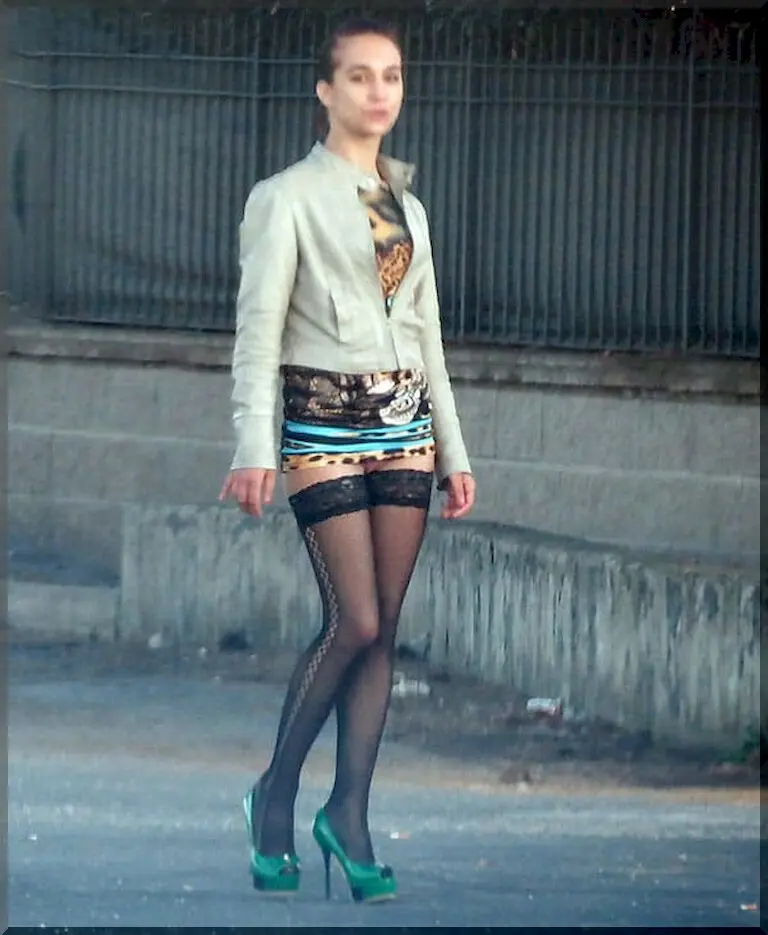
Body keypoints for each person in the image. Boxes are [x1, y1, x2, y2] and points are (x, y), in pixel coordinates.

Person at [218, 16, 476, 904]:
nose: (378, 91)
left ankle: (350, 813)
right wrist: (253, 445)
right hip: (321, 426)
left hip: (406, 426)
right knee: (355, 620)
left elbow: (429, 336)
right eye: (360, 76)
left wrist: (453, 448)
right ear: (325, 91)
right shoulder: (283, 197)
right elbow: (257, 333)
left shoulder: (408, 207)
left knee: (385, 627)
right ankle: (275, 793)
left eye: (391, 75)